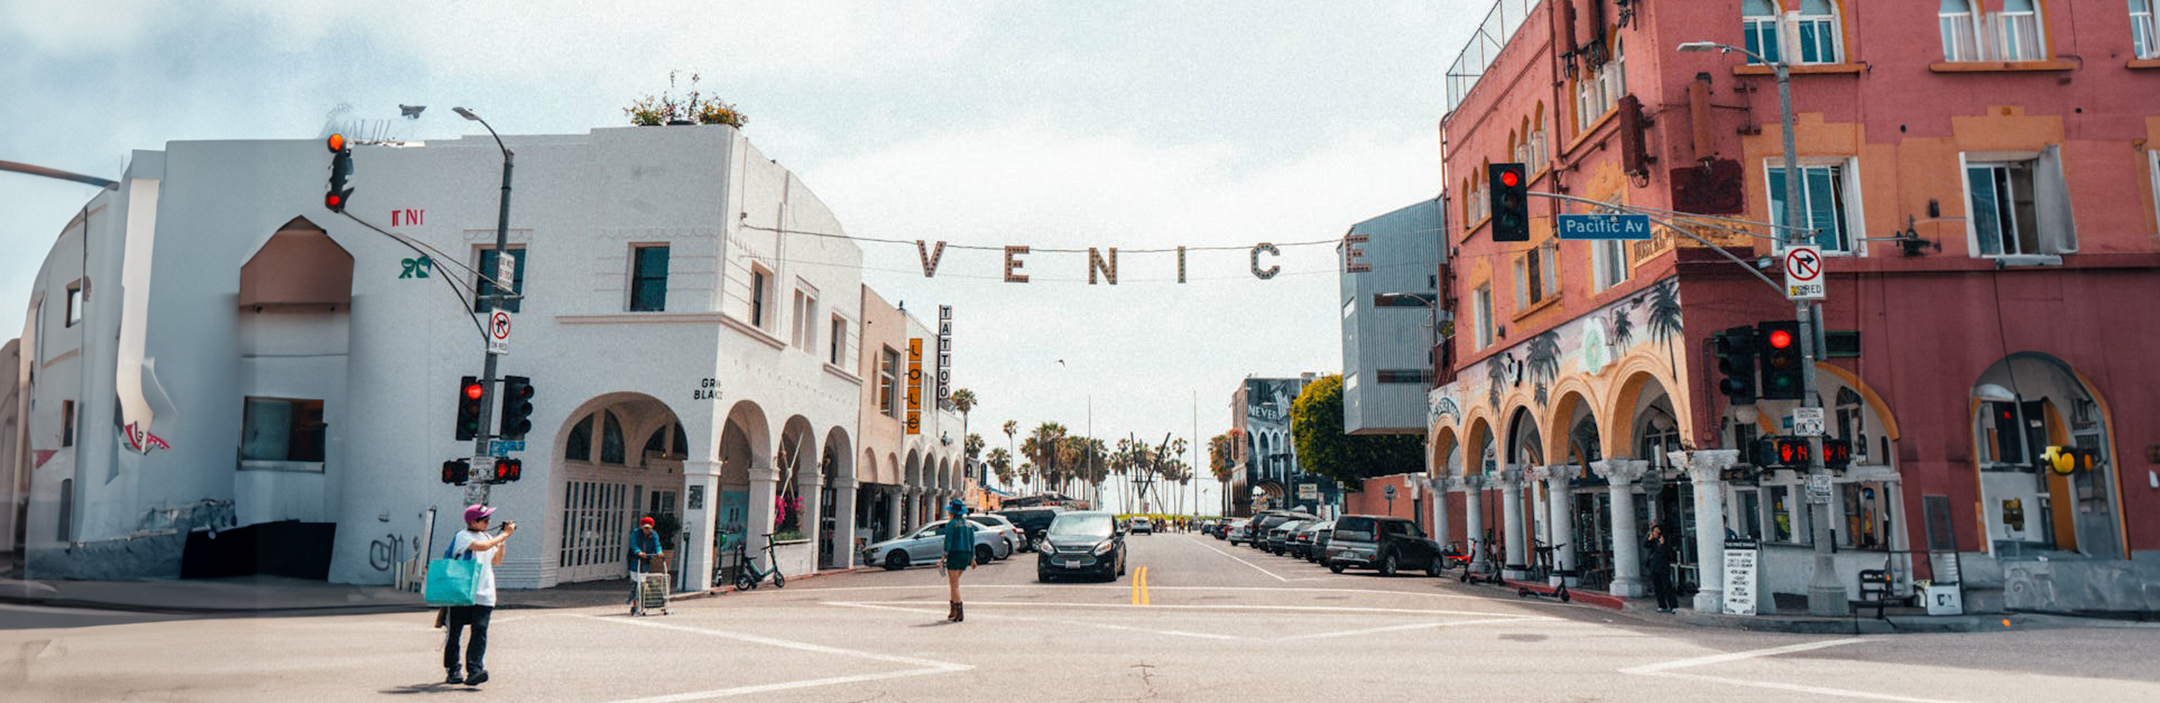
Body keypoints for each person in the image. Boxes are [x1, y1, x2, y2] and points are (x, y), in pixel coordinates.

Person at [446, 504, 513, 686]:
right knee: (455, 632)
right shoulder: (463, 536)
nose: (488, 522)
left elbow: (497, 561)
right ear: (472, 521)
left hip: (485, 593)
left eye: (489, 519)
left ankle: (475, 670)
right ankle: (453, 669)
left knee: (480, 632)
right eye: (484, 519)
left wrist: (502, 541)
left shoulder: (488, 536)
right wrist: (504, 534)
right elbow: (481, 548)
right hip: (463, 591)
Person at [939, 499, 978, 623]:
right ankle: (953, 610)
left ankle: (958, 611)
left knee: (954, 584)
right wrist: (972, 558)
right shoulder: (969, 525)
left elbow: (948, 542)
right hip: (966, 554)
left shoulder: (951, 524)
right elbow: (972, 542)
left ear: (952, 512)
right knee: (953, 583)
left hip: (955, 553)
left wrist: (943, 557)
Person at [628, 515, 665, 608]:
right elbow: (633, 544)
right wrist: (638, 552)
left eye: (648, 528)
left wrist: (659, 552)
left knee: (643, 581)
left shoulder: (654, 534)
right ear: (641, 527)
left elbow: (657, 544)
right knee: (635, 582)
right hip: (635, 559)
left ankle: (643, 602)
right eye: (645, 528)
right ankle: (635, 604)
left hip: (646, 559)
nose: (646, 530)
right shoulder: (636, 533)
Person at [1645, 523, 1679, 613]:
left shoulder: (1665, 541)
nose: (1655, 533)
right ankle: (1662, 605)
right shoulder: (1652, 541)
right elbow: (1645, 546)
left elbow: (1666, 552)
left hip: (1663, 566)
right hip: (1654, 566)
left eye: (1657, 531)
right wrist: (1649, 539)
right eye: (1654, 531)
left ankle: (1673, 605)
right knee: (1657, 587)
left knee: (1667, 586)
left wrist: (1662, 544)